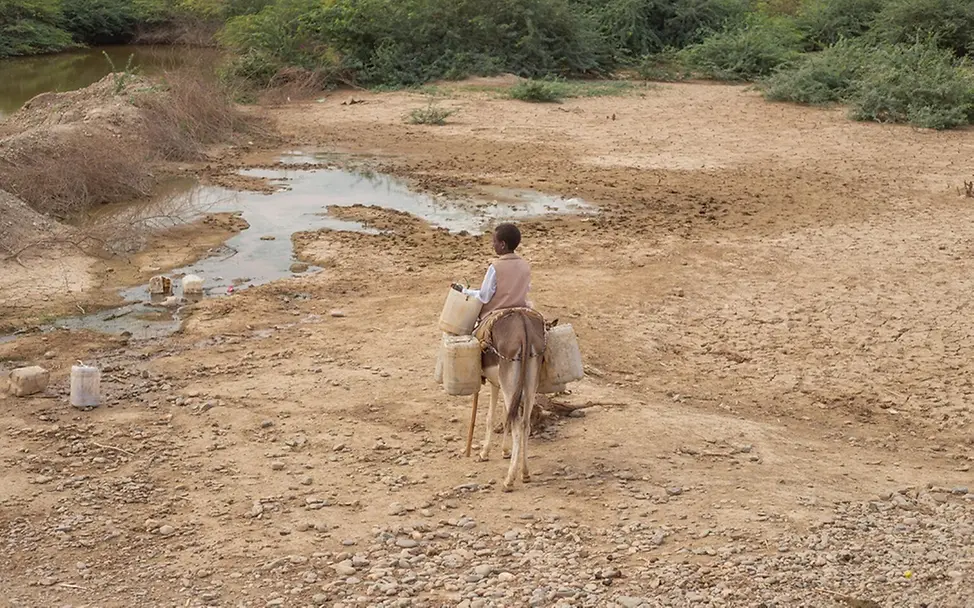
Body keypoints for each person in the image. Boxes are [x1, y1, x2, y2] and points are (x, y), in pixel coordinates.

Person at [452, 223, 532, 323]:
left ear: (502, 244)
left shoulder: (495, 267)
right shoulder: (525, 266)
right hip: (520, 315)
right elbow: (526, 291)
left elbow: (484, 297)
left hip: (496, 316)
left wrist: (465, 291)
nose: (493, 245)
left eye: (494, 241)